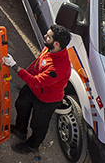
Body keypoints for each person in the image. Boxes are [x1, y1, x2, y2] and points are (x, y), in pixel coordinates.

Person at [7, 24, 72, 155]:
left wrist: (15, 66)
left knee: (38, 124)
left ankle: (32, 145)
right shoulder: (50, 48)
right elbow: (37, 63)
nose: (45, 36)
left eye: (48, 37)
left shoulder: (58, 68)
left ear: (57, 44)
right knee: (21, 105)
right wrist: (28, 72)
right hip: (34, 88)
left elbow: (36, 82)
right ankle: (20, 130)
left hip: (46, 99)